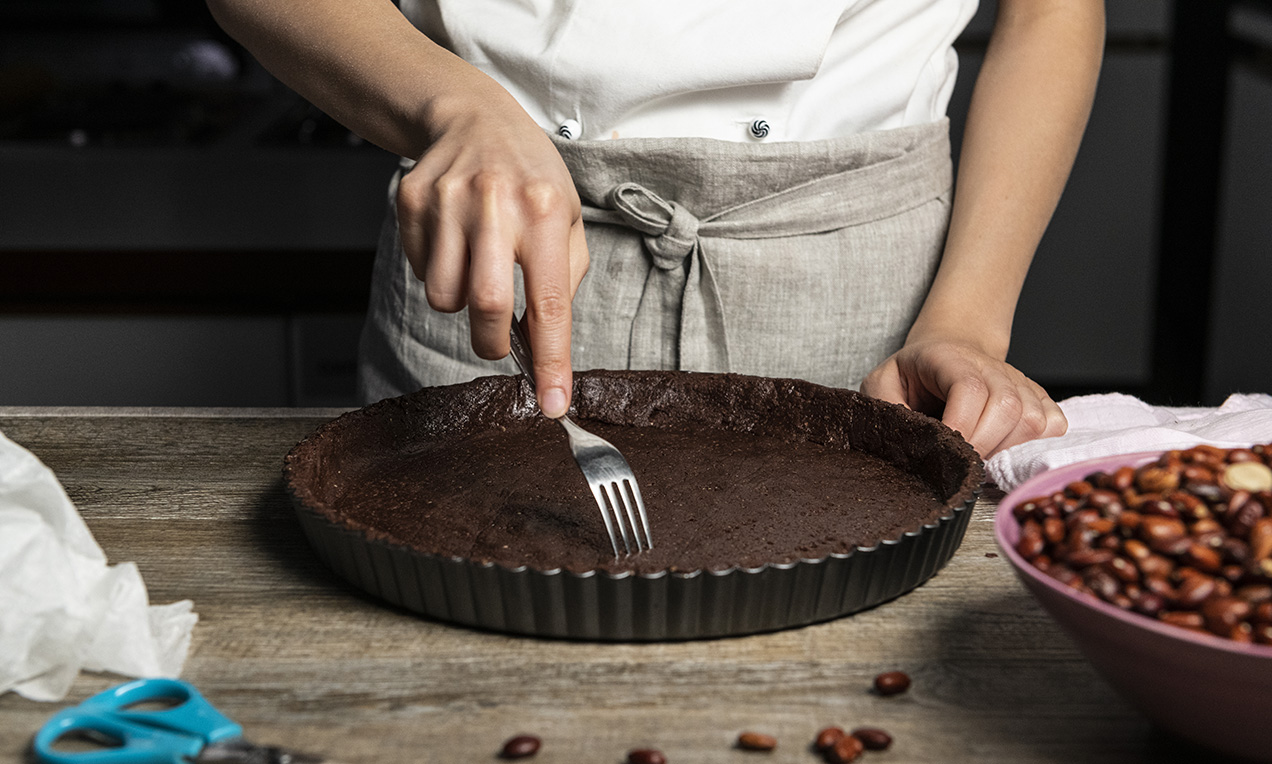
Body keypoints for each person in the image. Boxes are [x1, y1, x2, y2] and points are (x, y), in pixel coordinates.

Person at [205, 0, 1102, 457]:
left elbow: (1052, 9)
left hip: (863, 292)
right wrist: (455, 107)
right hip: (502, 243)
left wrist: (968, 323)